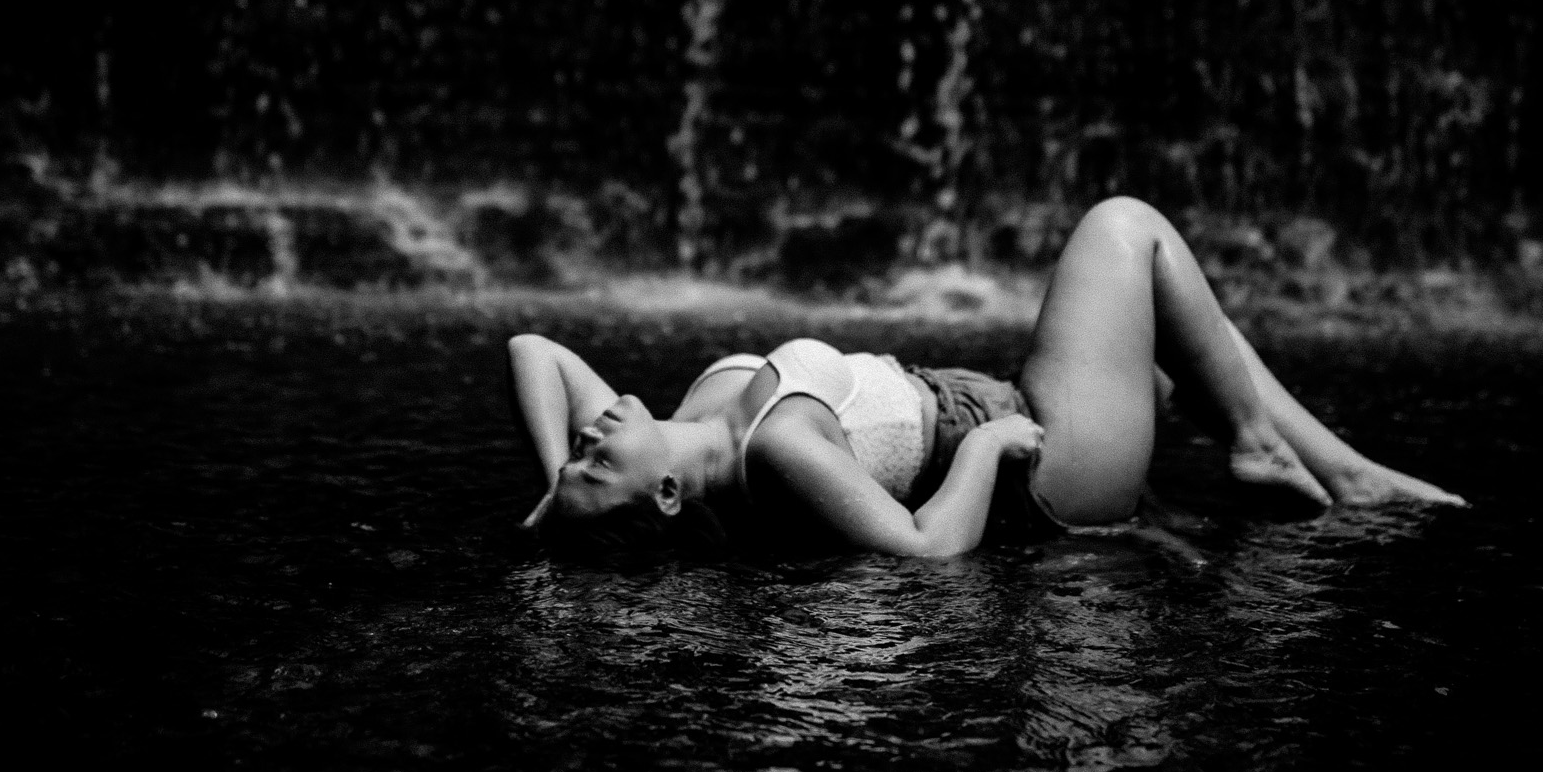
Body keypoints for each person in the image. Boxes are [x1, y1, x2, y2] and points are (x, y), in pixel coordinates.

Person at [507, 197, 1463, 557]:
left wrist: (557, 494)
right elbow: (927, 548)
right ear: (667, 495)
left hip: (990, 397)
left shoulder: (682, 429)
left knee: (1175, 317)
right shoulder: (777, 447)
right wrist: (994, 451)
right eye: (594, 468)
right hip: (1043, 465)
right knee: (1126, 231)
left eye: (581, 451)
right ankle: (1262, 446)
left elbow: (533, 351)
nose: (586, 444)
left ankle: (1343, 473)